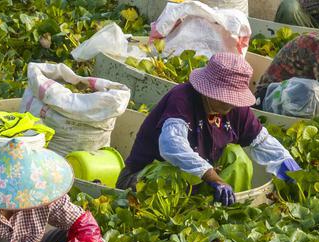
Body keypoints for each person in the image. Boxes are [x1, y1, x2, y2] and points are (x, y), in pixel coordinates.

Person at [116, 52, 302, 207]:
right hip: (143, 180)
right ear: (208, 90)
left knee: (237, 156)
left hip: (196, 184)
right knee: (169, 171)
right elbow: (172, 146)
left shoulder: (235, 109)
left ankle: (227, 209)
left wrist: (290, 169)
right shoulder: (182, 98)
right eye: (225, 97)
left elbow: (263, 142)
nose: (230, 103)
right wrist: (213, 177)